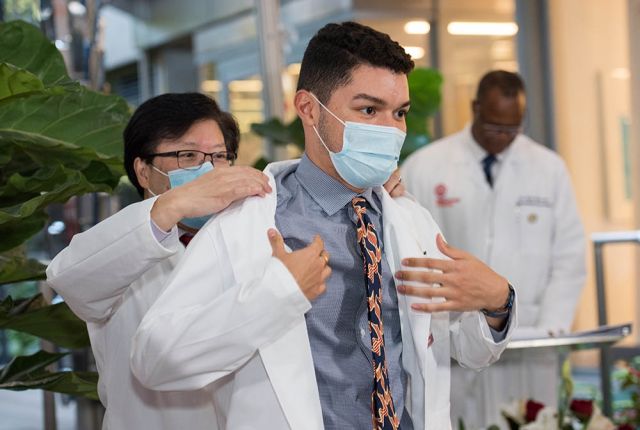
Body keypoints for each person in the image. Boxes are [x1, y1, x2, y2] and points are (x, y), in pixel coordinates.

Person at [131, 23, 518, 430]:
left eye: (399, 112)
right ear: (309, 108)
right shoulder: (247, 222)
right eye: (369, 110)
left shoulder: (410, 220)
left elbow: (459, 349)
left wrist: (496, 302)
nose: (391, 130)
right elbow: (155, 360)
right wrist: (274, 295)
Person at [45, 92, 327, 429]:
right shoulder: (125, 242)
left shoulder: (253, 234)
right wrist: (174, 205)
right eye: (188, 155)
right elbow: (71, 280)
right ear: (143, 171)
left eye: (220, 157)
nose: (209, 170)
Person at [402, 70, 586, 429]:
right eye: (494, 126)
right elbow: (408, 250)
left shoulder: (549, 169)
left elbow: (569, 255)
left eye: (512, 129)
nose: (503, 137)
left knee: (532, 419)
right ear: (475, 109)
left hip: (532, 340)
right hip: (453, 339)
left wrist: (552, 327)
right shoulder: (426, 166)